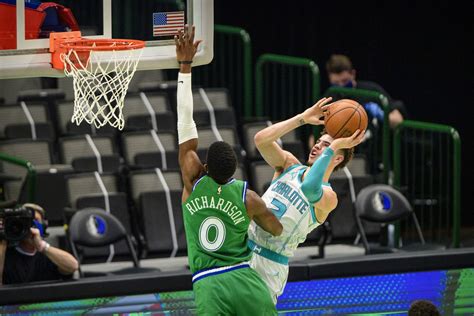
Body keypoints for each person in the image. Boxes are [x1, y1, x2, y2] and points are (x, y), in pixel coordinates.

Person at [175, 25, 282, 315]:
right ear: (234, 172)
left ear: (205, 167)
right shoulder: (248, 198)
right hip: (246, 281)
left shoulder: (194, 181)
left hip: (210, 285)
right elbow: (276, 229)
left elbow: (185, 125)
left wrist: (185, 66)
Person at [248, 97, 365, 303]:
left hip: (270, 263)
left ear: (336, 158)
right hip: (243, 248)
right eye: (319, 142)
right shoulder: (289, 164)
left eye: (325, 145)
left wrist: (336, 144)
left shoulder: (329, 197)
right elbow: (260, 139)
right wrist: (302, 118)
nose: (317, 146)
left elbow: (310, 188)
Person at [0, 203, 78, 285]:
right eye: (26, 221)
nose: (30, 225)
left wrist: (42, 246)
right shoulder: (6, 254)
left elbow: (73, 266)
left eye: (35, 220)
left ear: (44, 225)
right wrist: (2, 240)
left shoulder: (50, 255)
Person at [326, 54, 407, 129]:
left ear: (353, 74)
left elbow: (398, 121)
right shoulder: (329, 97)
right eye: (336, 83)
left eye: (345, 81)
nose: (341, 86)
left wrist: (382, 115)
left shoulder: (372, 91)